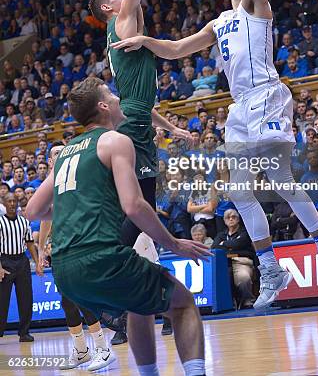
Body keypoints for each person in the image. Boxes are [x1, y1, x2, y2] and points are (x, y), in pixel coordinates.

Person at [112, 0, 318, 309]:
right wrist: (145, 40)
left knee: (278, 177)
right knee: (239, 190)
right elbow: (178, 48)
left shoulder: (259, 5)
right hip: (240, 109)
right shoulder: (220, 23)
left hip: (269, 96)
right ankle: (272, 269)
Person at [26, 77, 209, 376]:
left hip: (65, 271)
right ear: (102, 106)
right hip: (101, 257)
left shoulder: (66, 153)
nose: (117, 99)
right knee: (183, 303)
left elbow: (34, 210)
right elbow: (133, 206)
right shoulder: (115, 141)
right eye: (111, 94)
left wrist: (77, 205)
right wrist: (176, 244)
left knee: (138, 303)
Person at [89, 0, 189, 341]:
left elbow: (139, 104)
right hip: (131, 125)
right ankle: (105, 283)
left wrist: (172, 127)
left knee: (139, 208)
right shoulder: (123, 19)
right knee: (140, 209)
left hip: (133, 119)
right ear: (110, 8)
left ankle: (115, 290)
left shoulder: (127, 34)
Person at [38, 142, 114, 371]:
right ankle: (81, 350)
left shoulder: (78, 177)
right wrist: (41, 249)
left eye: (63, 152)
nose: (60, 156)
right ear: (50, 161)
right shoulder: (51, 184)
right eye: (55, 154)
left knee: (83, 297)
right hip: (61, 248)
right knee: (67, 301)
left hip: (82, 243)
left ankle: (103, 347)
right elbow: (45, 217)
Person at [0, 193, 42, 342]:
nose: (12, 204)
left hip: (22, 261)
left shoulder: (24, 222)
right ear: (4, 204)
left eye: (14, 201)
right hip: (4, 261)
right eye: (9, 201)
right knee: (2, 301)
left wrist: (37, 262)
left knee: (26, 299)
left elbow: (30, 242)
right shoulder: (0, 222)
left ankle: (24, 332)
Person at [212, 209, 256, 309]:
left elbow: (239, 243)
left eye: (233, 217)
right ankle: (228, 304)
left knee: (243, 278)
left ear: (238, 219)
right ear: (224, 221)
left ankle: (247, 301)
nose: (231, 219)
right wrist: (232, 246)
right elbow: (214, 247)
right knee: (219, 280)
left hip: (242, 261)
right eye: (228, 217)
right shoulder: (221, 235)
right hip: (224, 263)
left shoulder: (245, 231)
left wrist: (224, 244)